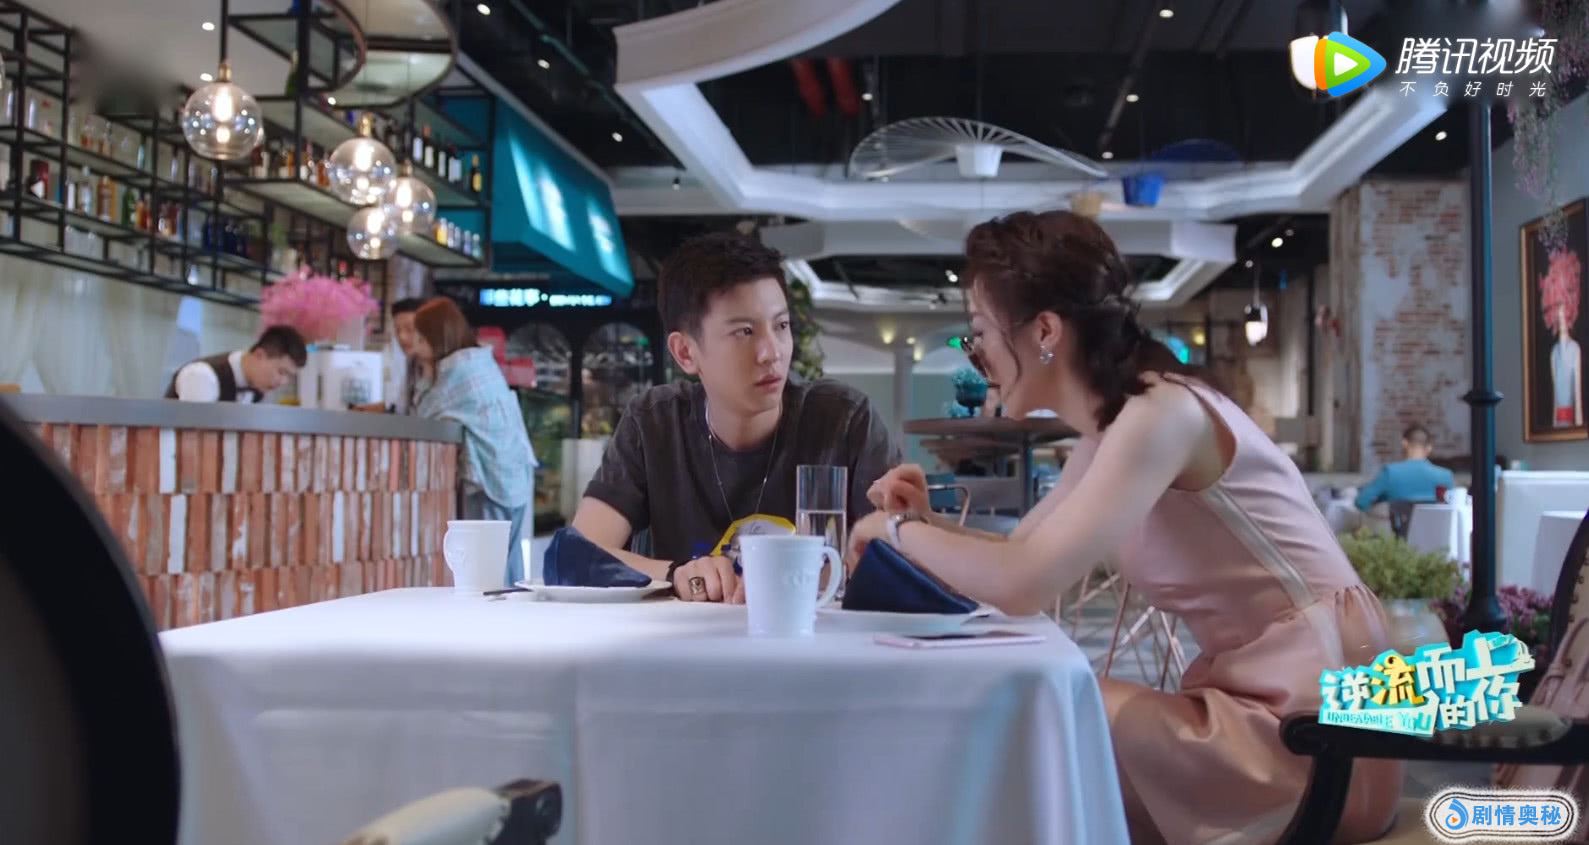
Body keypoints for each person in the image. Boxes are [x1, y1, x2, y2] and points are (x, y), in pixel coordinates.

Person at [855, 211, 1401, 845]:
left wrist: (894, 532)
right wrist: (921, 524)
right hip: (1270, 701)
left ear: (1045, 331)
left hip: (1321, 724)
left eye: (979, 336)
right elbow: (1022, 551)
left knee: (1043, 711)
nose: (978, 361)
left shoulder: (1159, 414)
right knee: (1040, 713)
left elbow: (1024, 583)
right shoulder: (1118, 424)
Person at [572, 232, 899, 603]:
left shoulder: (842, 421)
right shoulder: (655, 423)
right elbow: (579, 555)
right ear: (685, 352)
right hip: (685, 638)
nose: (771, 353)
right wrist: (677, 573)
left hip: (813, 634)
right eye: (744, 332)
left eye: (781, 326)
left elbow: (903, 554)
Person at [410, 298, 538, 586]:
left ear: (437, 336)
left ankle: (495, 613)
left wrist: (427, 373)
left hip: (489, 479)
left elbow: (424, 416)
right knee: (509, 563)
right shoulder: (480, 362)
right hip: (515, 471)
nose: (416, 347)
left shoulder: (456, 371)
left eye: (421, 338)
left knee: (485, 569)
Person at [165, 325, 307, 402]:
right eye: (281, 372)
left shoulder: (257, 389)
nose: (283, 382)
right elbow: (195, 437)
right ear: (259, 355)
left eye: (289, 377)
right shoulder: (202, 375)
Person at [1354, 424, 1456, 511]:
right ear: (1429, 448)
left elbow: (1361, 502)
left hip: (1398, 528)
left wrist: (1381, 500)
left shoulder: (1390, 473)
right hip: (1434, 528)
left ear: (1404, 443)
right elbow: (1453, 507)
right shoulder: (1445, 476)